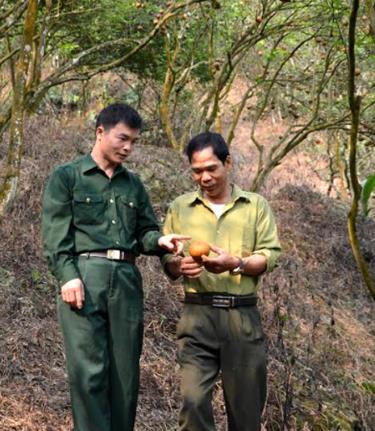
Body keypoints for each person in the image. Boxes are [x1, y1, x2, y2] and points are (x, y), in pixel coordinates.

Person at [42, 103, 189, 431]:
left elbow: (145, 231)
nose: (128, 147)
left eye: (134, 142)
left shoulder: (133, 185)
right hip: (84, 276)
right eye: (123, 139)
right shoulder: (67, 177)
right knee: (89, 373)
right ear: (100, 132)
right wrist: (68, 277)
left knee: (125, 374)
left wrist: (161, 242)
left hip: (125, 280)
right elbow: (55, 237)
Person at [162, 132, 281, 431]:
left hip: (241, 317)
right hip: (196, 316)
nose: (204, 177)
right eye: (197, 171)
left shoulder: (255, 206)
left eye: (211, 168)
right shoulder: (180, 207)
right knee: (193, 402)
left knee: (245, 413)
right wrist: (178, 265)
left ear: (227, 163)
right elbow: (167, 257)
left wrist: (237, 263)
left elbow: (268, 255)